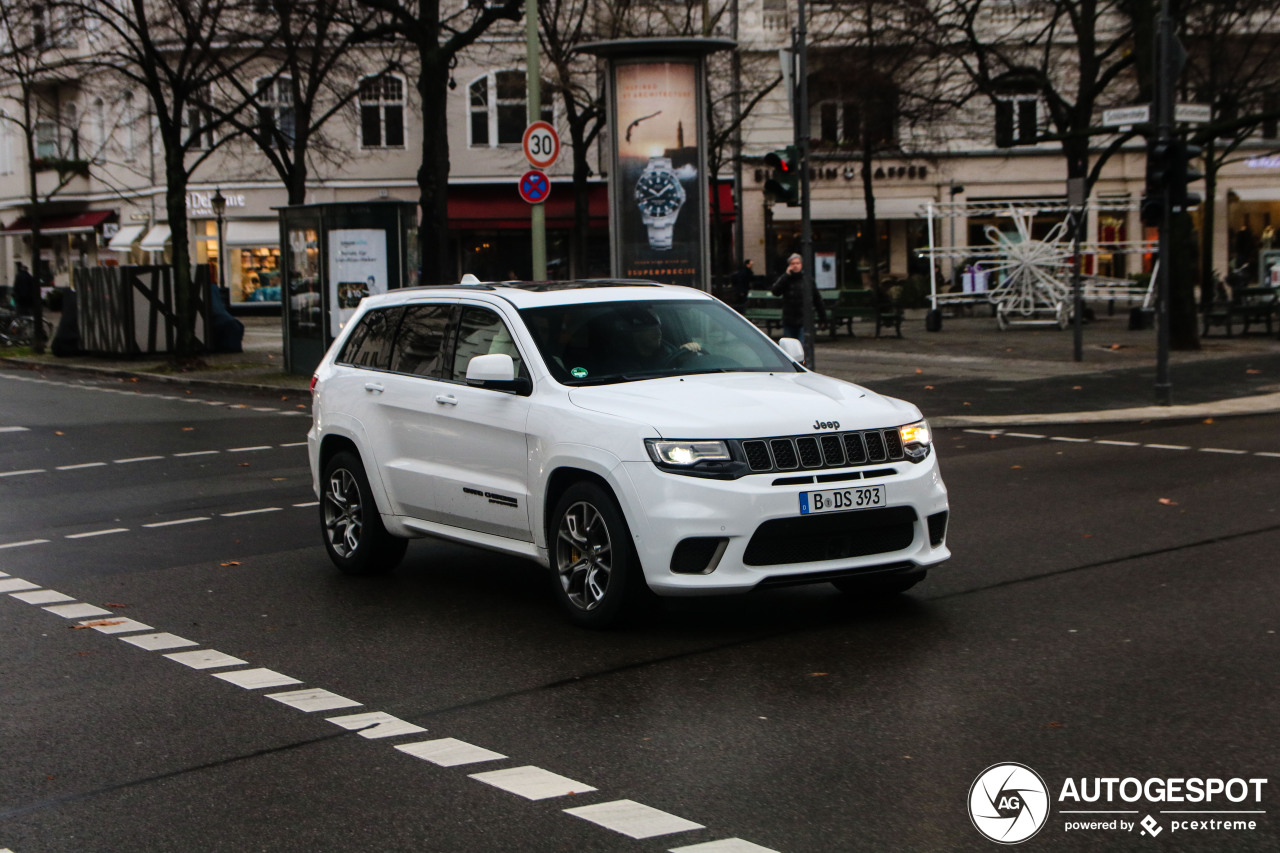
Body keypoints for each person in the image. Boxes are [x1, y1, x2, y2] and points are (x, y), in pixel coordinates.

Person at [770, 253, 826, 341]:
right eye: (793, 264)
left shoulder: (807, 280)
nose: (795, 266)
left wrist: (822, 318)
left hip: (803, 319)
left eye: (797, 263)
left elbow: (817, 299)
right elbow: (775, 291)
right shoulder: (786, 279)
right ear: (789, 266)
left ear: (801, 265)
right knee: (789, 346)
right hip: (789, 319)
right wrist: (786, 275)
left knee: (802, 345)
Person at [618, 307, 701, 366]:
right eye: (651, 329)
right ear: (636, 333)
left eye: (658, 328)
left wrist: (683, 358)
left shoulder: (668, 352)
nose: (658, 332)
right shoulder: (621, 363)